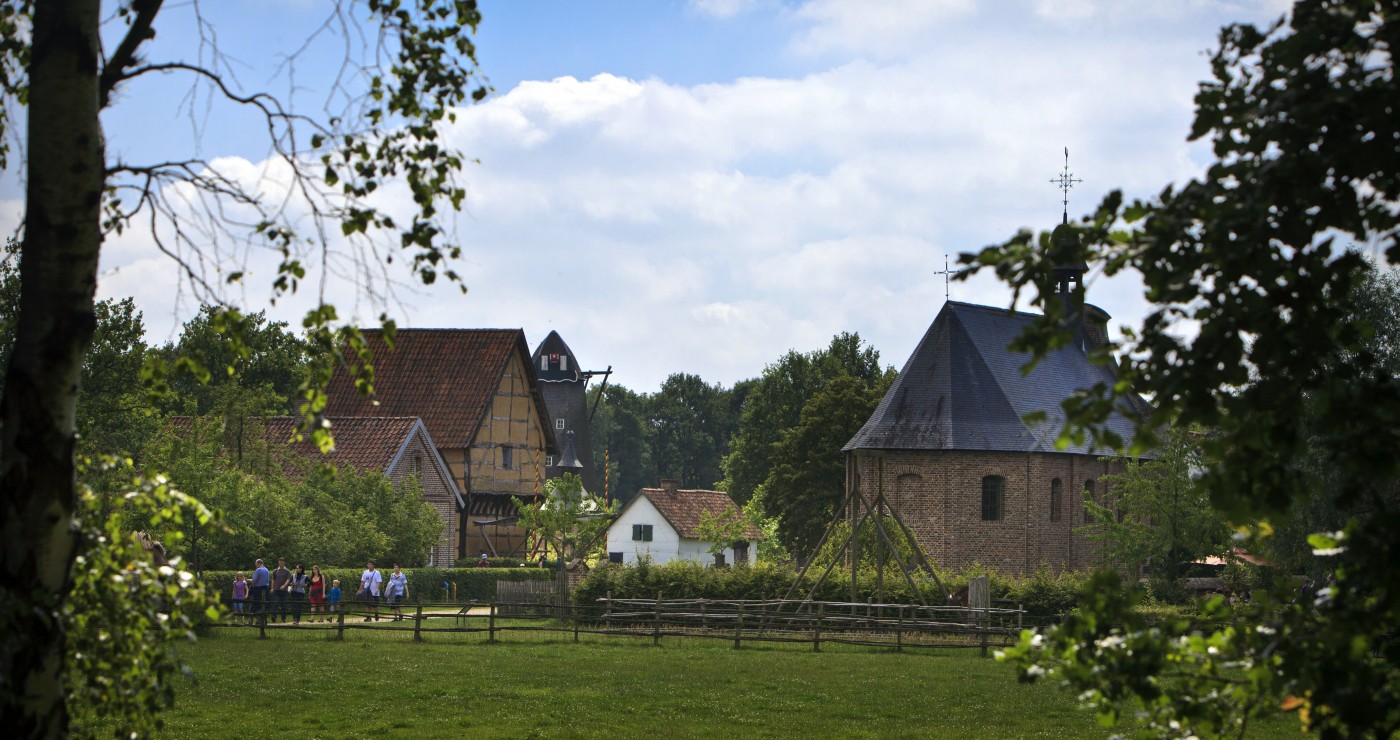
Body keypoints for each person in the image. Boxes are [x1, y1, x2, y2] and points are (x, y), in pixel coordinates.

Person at [272, 557, 292, 622]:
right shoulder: (275, 570)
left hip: (284, 590)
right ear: (278, 562)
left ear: (284, 562)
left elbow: (288, 579)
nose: (281, 562)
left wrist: (284, 585)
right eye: (280, 561)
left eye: (282, 561)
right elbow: (273, 579)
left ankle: (283, 618)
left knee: (284, 604)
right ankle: (274, 617)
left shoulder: (287, 571)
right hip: (276, 590)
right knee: (275, 603)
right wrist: (272, 588)